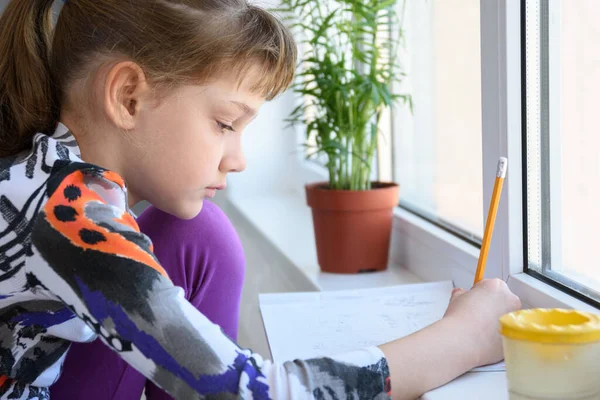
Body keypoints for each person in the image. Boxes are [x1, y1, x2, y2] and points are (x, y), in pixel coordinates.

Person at [0, 0, 521, 399]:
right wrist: (464, 338)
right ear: (128, 96)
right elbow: (251, 391)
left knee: (200, 233)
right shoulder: (65, 214)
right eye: (225, 124)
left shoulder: (46, 181)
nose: (238, 159)